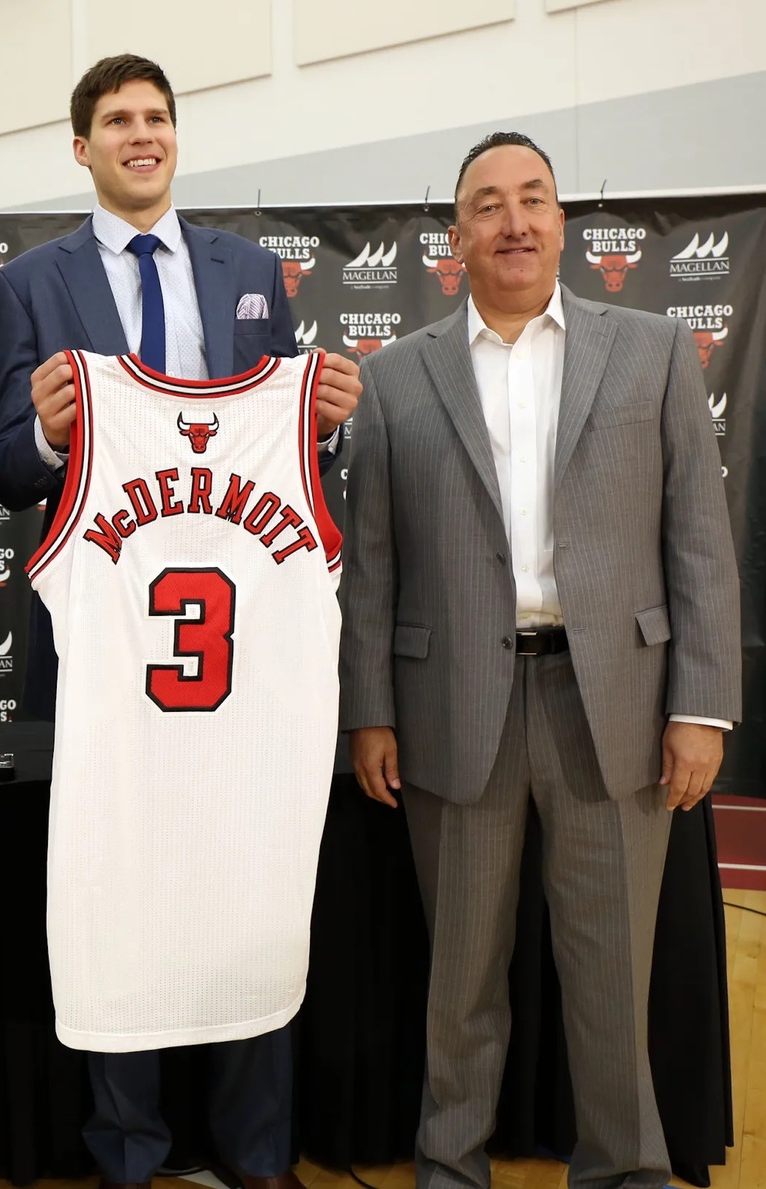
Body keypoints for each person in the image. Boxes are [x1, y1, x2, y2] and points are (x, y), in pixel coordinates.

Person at [0, 54, 360, 1189]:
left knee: (253, 891)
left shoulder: (247, 267)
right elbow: (9, 463)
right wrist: (51, 437)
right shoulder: (28, 283)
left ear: (175, 136)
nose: (140, 136)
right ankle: (129, 1157)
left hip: (243, 654)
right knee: (118, 899)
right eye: (116, 121)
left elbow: (287, 452)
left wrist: (328, 426)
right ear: (81, 146)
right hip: (111, 649)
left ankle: (256, 1156)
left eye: (156, 118)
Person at [340, 132, 740, 1189]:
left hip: (613, 703)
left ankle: (628, 1171)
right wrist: (369, 711)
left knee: (612, 978)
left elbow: (700, 538)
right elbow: (371, 566)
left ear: (563, 221)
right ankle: (450, 1165)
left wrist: (702, 704)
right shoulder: (393, 378)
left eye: (534, 199)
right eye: (489, 203)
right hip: (453, 709)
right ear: (455, 235)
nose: (514, 220)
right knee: (460, 981)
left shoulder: (653, 350)